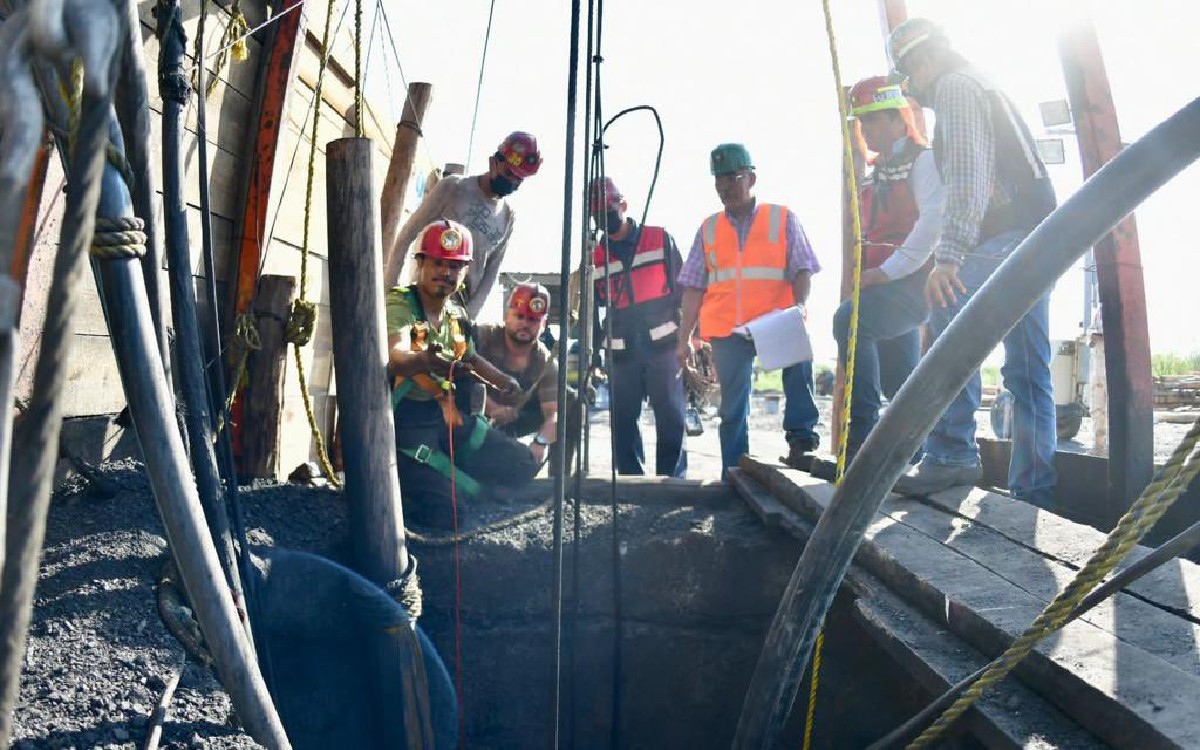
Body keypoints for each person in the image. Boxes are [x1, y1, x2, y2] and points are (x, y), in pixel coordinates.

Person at [886, 18, 1058, 507]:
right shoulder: (983, 82)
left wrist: (950, 256)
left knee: (947, 309)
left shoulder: (957, 87)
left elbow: (967, 178)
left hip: (1007, 236)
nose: (913, 91)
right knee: (1028, 368)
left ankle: (950, 452)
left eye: (908, 78)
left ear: (921, 62)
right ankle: (1034, 488)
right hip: (1039, 238)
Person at [676, 143, 822, 477]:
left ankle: (801, 439)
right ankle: (734, 469)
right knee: (732, 408)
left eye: (732, 177)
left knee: (799, 365)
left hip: (775, 318)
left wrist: (799, 308)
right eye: (718, 180)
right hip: (728, 329)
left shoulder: (782, 218)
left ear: (751, 178)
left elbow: (802, 267)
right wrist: (683, 339)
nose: (724, 187)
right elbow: (693, 287)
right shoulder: (709, 228)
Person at [386, 219, 539, 529]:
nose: (446, 273)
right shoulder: (401, 304)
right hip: (407, 424)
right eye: (439, 263)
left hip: (446, 418)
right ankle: (415, 489)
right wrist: (423, 360)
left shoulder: (454, 314)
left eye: (455, 267)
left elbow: (471, 357)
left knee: (523, 463)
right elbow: (395, 356)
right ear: (422, 263)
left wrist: (504, 382)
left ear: (465, 272)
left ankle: (449, 476)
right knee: (450, 513)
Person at [833, 77, 943, 462]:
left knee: (850, 320)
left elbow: (932, 224)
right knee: (901, 382)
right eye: (863, 123)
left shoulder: (923, 161)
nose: (867, 129)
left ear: (899, 120)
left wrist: (884, 274)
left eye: (875, 120)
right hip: (885, 285)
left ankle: (860, 447)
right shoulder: (876, 173)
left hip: (914, 282)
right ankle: (912, 459)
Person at [385, 131, 543, 318]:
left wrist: (469, 317)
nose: (512, 182)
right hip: (423, 297)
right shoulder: (453, 187)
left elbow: (491, 273)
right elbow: (408, 234)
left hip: (459, 309)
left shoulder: (508, 217)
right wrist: (391, 289)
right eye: (509, 173)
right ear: (494, 162)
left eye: (519, 179)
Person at [590, 176, 688, 477]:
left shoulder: (658, 238)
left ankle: (671, 480)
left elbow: (683, 290)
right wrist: (594, 354)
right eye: (597, 215)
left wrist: (691, 340)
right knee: (622, 418)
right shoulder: (595, 256)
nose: (604, 219)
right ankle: (631, 479)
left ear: (623, 205)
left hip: (664, 344)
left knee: (670, 414)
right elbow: (593, 309)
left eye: (608, 211)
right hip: (622, 349)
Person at [474, 283, 579, 472]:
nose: (525, 324)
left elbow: (553, 413)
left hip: (516, 418)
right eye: (519, 316)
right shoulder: (483, 338)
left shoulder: (545, 362)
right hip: (475, 417)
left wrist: (540, 442)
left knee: (571, 400)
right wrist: (493, 408)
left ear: (543, 324)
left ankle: (556, 481)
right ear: (507, 316)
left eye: (533, 320)